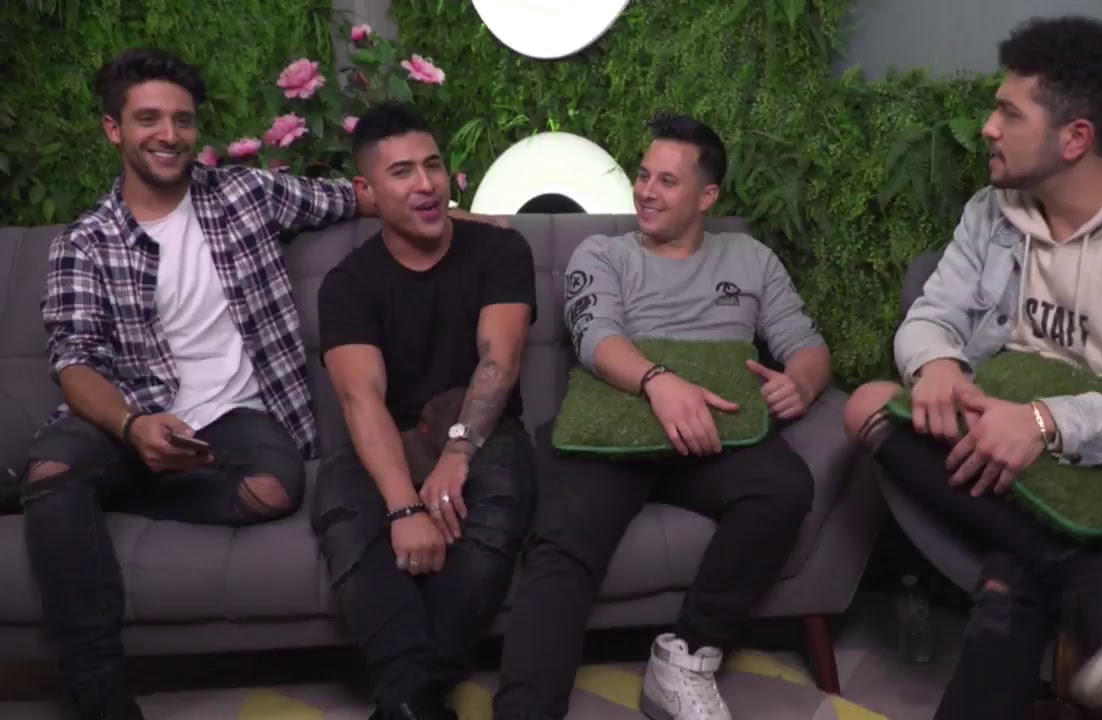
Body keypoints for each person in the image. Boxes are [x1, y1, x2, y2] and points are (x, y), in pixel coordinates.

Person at [20, 50, 498, 720]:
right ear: (113, 130)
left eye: (183, 120)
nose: (169, 134)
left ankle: (120, 485)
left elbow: (366, 195)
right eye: (149, 119)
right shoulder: (85, 242)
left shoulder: (246, 193)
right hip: (128, 413)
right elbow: (74, 362)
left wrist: (473, 227)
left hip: (236, 418)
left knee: (273, 489)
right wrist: (131, 426)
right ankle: (99, 692)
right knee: (52, 473)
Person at [842, 16, 1102, 718]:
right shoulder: (991, 211)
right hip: (1014, 444)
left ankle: (1068, 572)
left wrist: (1043, 423)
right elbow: (932, 316)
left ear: (1075, 138)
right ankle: (1096, 584)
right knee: (867, 404)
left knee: (1012, 575)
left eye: (1009, 113)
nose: (987, 128)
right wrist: (936, 364)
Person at [493, 114, 832, 720]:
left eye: (667, 181)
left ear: (707, 196)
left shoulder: (750, 258)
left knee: (784, 487)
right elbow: (594, 336)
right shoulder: (601, 252)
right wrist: (659, 382)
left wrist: (801, 383)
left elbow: (805, 343)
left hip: (714, 433)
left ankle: (688, 654)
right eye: (643, 175)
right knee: (562, 542)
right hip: (611, 427)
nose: (646, 191)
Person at [314, 101, 538, 720]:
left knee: (493, 511)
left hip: (482, 432)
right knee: (346, 514)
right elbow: (361, 398)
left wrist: (459, 451)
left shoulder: (500, 250)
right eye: (403, 172)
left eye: (433, 166)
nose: (426, 184)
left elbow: (499, 361)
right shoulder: (348, 283)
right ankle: (418, 698)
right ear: (366, 192)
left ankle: (406, 700)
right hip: (388, 434)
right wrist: (405, 508)